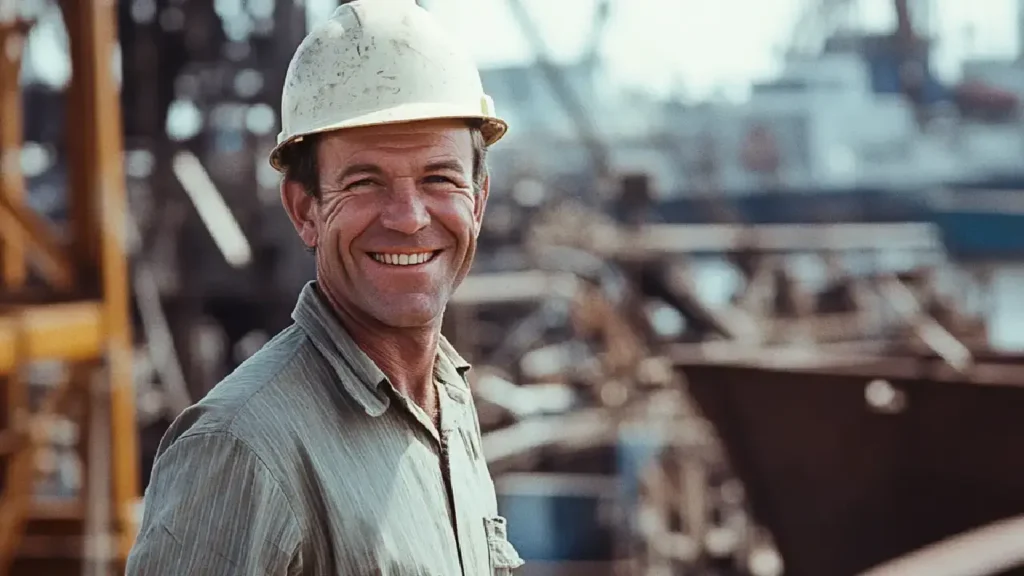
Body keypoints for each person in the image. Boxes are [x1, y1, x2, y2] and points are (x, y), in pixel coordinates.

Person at [126, 0, 523, 574]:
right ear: (303, 210)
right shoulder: (239, 449)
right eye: (364, 183)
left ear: (478, 202)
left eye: (439, 178)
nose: (409, 217)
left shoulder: (450, 406)